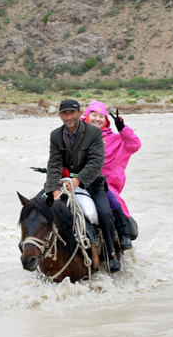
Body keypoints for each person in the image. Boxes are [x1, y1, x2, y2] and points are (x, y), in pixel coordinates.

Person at [44, 98, 122, 272]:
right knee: (37, 208)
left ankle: (111, 254)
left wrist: (78, 180)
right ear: (60, 116)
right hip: (63, 183)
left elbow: (96, 162)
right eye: (65, 113)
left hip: (91, 183)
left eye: (72, 113)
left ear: (80, 113)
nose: (69, 117)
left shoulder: (93, 132)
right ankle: (37, 252)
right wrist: (54, 189)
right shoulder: (55, 135)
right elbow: (54, 163)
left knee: (104, 213)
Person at [82, 101, 139, 250]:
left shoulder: (115, 139)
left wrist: (123, 129)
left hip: (105, 183)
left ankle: (123, 234)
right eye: (94, 115)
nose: (97, 119)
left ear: (106, 121)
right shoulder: (75, 133)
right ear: (86, 116)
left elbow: (134, 145)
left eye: (101, 116)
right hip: (76, 179)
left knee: (111, 201)